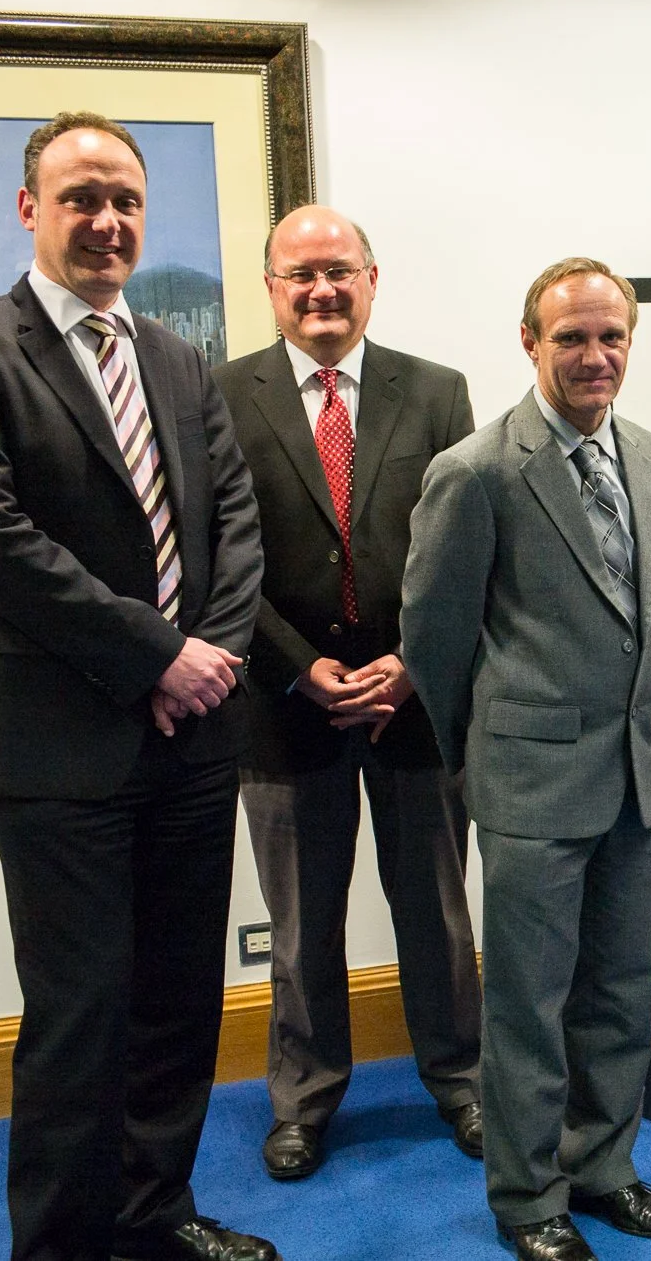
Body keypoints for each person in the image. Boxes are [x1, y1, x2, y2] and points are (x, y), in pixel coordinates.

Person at [0, 112, 274, 1260]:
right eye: (80, 198)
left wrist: (204, 664)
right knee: (79, 1017)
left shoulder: (178, 357)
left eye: (124, 199)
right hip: (56, 746)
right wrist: (155, 655)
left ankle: (155, 1212)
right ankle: (61, 1243)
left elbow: (234, 528)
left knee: (176, 1004)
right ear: (31, 210)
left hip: (192, 744)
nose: (107, 220)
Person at [402, 258, 651, 1261]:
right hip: (530, 789)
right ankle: (528, 1196)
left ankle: (603, 1166)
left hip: (635, 776)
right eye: (572, 338)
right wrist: (487, 763)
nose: (595, 356)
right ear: (531, 342)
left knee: (623, 988)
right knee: (528, 1005)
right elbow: (432, 645)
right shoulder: (476, 471)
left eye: (611, 336)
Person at [213, 205, 482, 1180]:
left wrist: (411, 661)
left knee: (438, 909)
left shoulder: (438, 392)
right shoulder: (222, 394)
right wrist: (301, 666)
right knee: (299, 920)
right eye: (301, 273)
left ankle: (460, 1076)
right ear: (272, 287)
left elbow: (462, 550)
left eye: (340, 269)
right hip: (285, 705)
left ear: (374, 277)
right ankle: (305, 1096)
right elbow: (220, 562)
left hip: (416, 702)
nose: (322, 289)